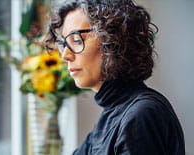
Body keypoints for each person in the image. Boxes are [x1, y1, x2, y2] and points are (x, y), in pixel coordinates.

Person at [44, 0, 185, 154]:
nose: (65, 55)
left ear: (113, 40)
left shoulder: (140, 114)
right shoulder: (111, 115)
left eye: (77, 40)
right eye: (64, 44)